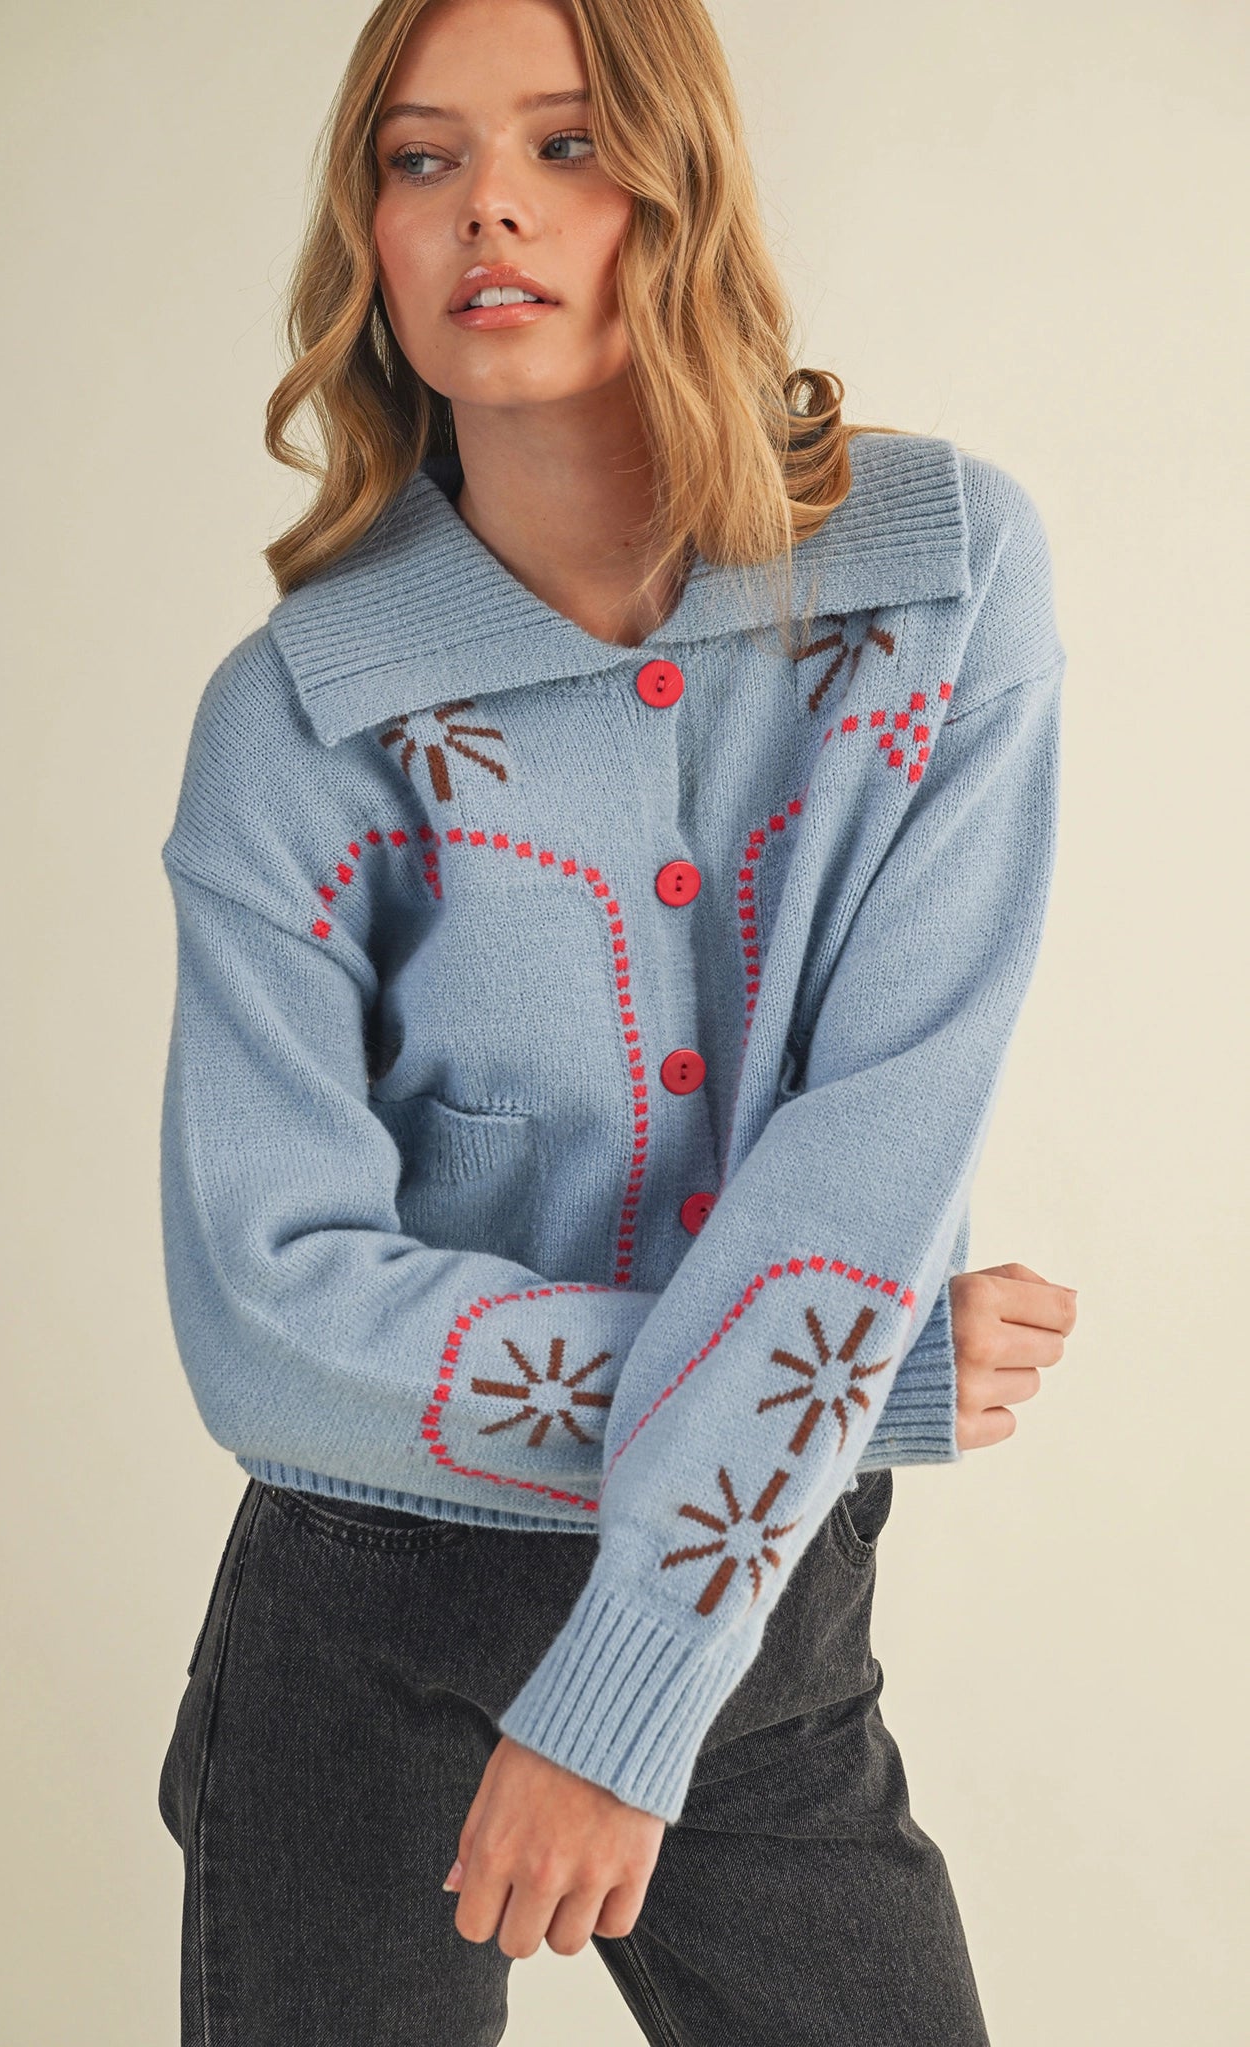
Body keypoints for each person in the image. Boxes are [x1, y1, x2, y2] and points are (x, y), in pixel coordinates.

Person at [154, 0, 1079, 2039]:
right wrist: (846, 1371)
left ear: (682, 185)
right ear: (370, 234)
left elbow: (876, 1132)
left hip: (755, 1623)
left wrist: (646, 1650)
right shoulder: (300, 719)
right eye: (420, 158)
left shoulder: (930, 586)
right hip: (368, 1628)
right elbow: (270, 1313)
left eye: (565, 144)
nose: (486, 204)